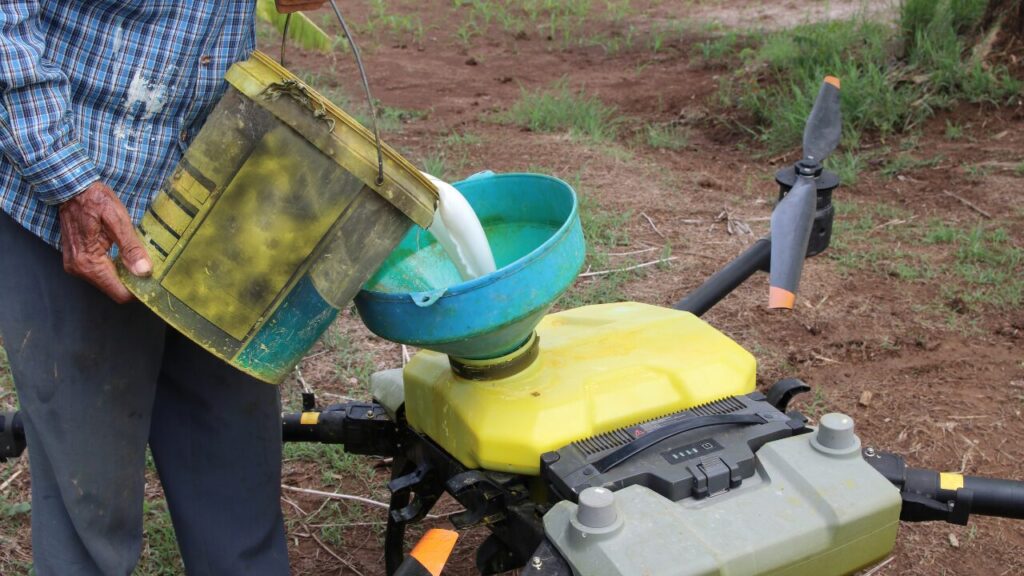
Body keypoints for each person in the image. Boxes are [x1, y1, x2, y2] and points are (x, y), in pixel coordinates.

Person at [0, 1, 324, 574]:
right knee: (88, 508)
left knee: (235, 477)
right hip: (75, 189)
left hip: (216, 174)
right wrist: (65, 178)